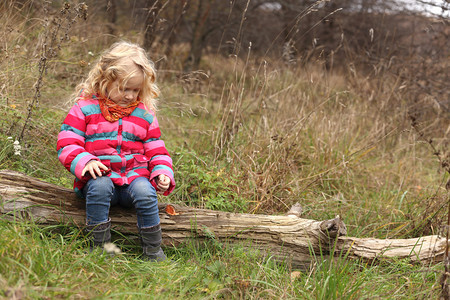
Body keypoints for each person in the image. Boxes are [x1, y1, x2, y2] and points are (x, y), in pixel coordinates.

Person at [57, 41, 175, 262]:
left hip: (133, 179)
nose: (130, 95)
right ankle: (100, 247)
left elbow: (156, 149)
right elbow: (67, 142)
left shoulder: (144, 115)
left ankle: (153, 250)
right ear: (105, 80)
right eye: (124, 88)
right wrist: (85, 161)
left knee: (146, 192)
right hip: (99, 180)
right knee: (100, 187)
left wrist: (162, 173)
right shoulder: (85, 108)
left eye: (136, 90)